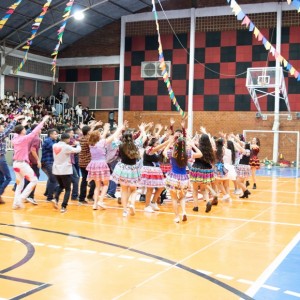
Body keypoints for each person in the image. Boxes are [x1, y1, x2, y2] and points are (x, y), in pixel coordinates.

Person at [12, 115, 49, 209]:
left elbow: (19, 130)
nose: (25, 130)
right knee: (34, 180)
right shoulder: (24, 139)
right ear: (21, 131)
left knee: (20, 184)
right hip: (22, 164)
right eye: (24, 129)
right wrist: (43, 121)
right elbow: (34, 131)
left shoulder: (15, 137)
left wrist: (23, 123)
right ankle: (21, 198)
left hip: (15, 164)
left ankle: (15, 203)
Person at [163, 136, 202, 223]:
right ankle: (184, 212)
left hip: (173, 178)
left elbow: (164, 152)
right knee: (182, 197)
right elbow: (200, 154)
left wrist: (169, 143)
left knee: (174, 199)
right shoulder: (187, 153)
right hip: (184, 178)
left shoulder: (172, 153)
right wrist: (193, 146)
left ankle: (177, 217)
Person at [87, 123, 123, 210]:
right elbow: (113, 135)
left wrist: (106, 129)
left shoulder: (91, 144)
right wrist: (119, 129)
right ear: (98, 137)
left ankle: (95, 204)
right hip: (102, 164)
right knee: (106, 184)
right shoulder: (102, 142)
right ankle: (100, 201)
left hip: (93, 164)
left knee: (97, 185)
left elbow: (100, 136)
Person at [112, 126, 144, 217]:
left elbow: (114, 137)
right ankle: (132, 204)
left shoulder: (120, 144)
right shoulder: (136, 144)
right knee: (134, 190)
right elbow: (143, 137)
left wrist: (119, 129)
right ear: (132, 137)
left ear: (123, 137)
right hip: (133, 169)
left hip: (122, 169)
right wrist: (142, 129)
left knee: (124, 190)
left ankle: (125, 210)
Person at [52, 133, 81, 213]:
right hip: (65, 170)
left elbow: (64, 150)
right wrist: (78, 144)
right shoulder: (66, 147)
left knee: (61, 185)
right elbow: (78, 150)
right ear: (67, 139)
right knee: (68, 189)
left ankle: (56, 198)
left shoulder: (54, 145)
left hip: (56, 170)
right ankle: (63, 206)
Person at [0, 115, 23, 204]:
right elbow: (8, 130)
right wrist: (15, 120)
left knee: (1, 178)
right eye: (1, 126)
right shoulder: (0, 135)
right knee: (8, 178)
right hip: (1, 159)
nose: (3, 127)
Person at [78, 124, 96, 204]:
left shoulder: (81, 138)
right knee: (93, 179)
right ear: (88, 132)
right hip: (88, 162)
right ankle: (90, 196)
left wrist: (93, 125)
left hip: (81, 161)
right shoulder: (88, 139)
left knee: (84, 180)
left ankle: (82, 197)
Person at [41, 129, 59, 202]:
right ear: (50, 135)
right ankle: (49, 197)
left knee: (51, 179)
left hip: (51, 162)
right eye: (55, 134)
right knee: (53, 179)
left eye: (57, 134)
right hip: (47, 162)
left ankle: (48, 193)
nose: (56, 135)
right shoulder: (47, 141)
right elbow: (55, 148)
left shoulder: (54, 141)